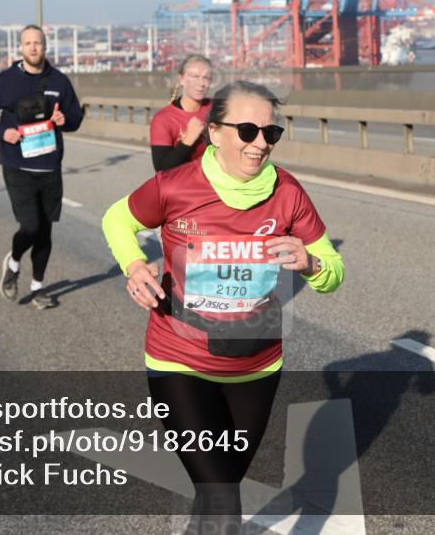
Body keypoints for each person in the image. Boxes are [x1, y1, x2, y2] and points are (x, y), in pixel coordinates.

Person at [102, 81, 344, 534]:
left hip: (256, 365)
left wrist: (310, 263)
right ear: (214, 132)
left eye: (271, 134)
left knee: (222, 484)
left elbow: (333, 270)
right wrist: (135, 267)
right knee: (222, 495)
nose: (259, 144)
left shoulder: (288, 193)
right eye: (248, 131)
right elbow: (117, 219)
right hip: (180, 362)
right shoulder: (175, 186)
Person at [0, 24, 83, 308]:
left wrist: (65, 122)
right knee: (31, 225)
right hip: (17, 165)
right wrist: (3, 132)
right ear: (20, 48)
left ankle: (38, 287)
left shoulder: (59, 81)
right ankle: (12, 262)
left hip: (50, 166)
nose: (33, 48)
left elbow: (74, 117)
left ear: (45, 46)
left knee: (45, 232)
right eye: (28, 43)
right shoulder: (5, 81)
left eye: (38, 43)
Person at [150, 54, 213, 172]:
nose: (201, 83)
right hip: (183, 186)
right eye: (195, 76)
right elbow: (162, 170)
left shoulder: (217, 108)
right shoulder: (163, 119)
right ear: (181, 79)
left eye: (206, 77)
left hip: (216, 184)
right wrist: (188, 140)